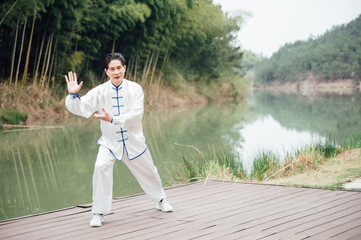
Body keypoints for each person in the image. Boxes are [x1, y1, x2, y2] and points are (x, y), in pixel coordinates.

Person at [65, 52, 173, 227]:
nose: (116, 72)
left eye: (119, 68)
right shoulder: (99, 91)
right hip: (110, 142)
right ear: (106, 71)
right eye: (112, 69)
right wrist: (73, 95)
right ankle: (98, 212)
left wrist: (113, 119)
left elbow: (136, 115)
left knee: (149, 171)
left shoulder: (135, 88)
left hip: (133, 140)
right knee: (100, 167)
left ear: (124, 68)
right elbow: (82, 108)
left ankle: (161, 200)